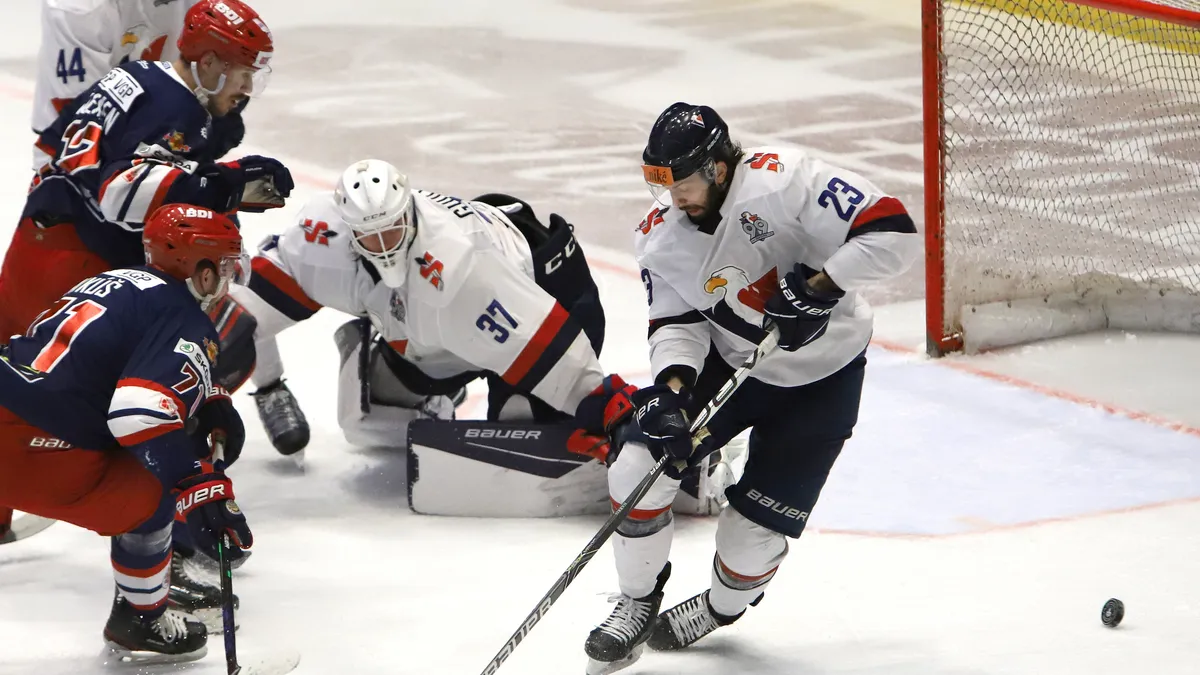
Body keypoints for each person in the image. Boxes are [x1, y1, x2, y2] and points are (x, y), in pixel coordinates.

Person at [582, 102, 921, 675]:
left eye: (683, 184)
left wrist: (820, 287)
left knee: (748, 545)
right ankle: (637, 601)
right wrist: (672, 388)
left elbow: (894, 232)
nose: (673, 200)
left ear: (717, 168)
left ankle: (720, 608)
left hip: (824, 380)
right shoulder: (661, 237)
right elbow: (677, 322)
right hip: (733, 364)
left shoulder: (786, 181)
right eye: (663, 186)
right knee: (639, 463)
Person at [0, 0, 289, 547]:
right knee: (157, 380)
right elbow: (119, 193)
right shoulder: (173, 106)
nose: (248, 87)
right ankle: (175, 533)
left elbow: (61, 144)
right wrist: (220, 186)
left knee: (15, 376)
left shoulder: (140, 76)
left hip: (35, 240)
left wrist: (209, 175)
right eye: (242, 71)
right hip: (82, 256)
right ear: (207, 63)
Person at [224, 159, 612, 458]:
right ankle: (433, 379)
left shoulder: (457, 264)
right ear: (349, 230)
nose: (384, 244)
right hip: (436, 329)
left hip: (542, 289)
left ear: (409, 213)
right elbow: (239, 316)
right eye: (370, 235)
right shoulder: (323, 240)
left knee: (523, 431)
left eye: (391, 228)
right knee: (366, 418)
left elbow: (540, 346)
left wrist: (607, 406)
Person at [0, 204, 253, 663]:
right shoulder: (186, 317)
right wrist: (199, 487)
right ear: (201, 271)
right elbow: (138, 414)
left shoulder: (111, 279)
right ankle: (142, 619)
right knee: (154, 482)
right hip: (35, 448)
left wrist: (208, 395)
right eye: (224, 266)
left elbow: (100, 358)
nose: (227, 278)